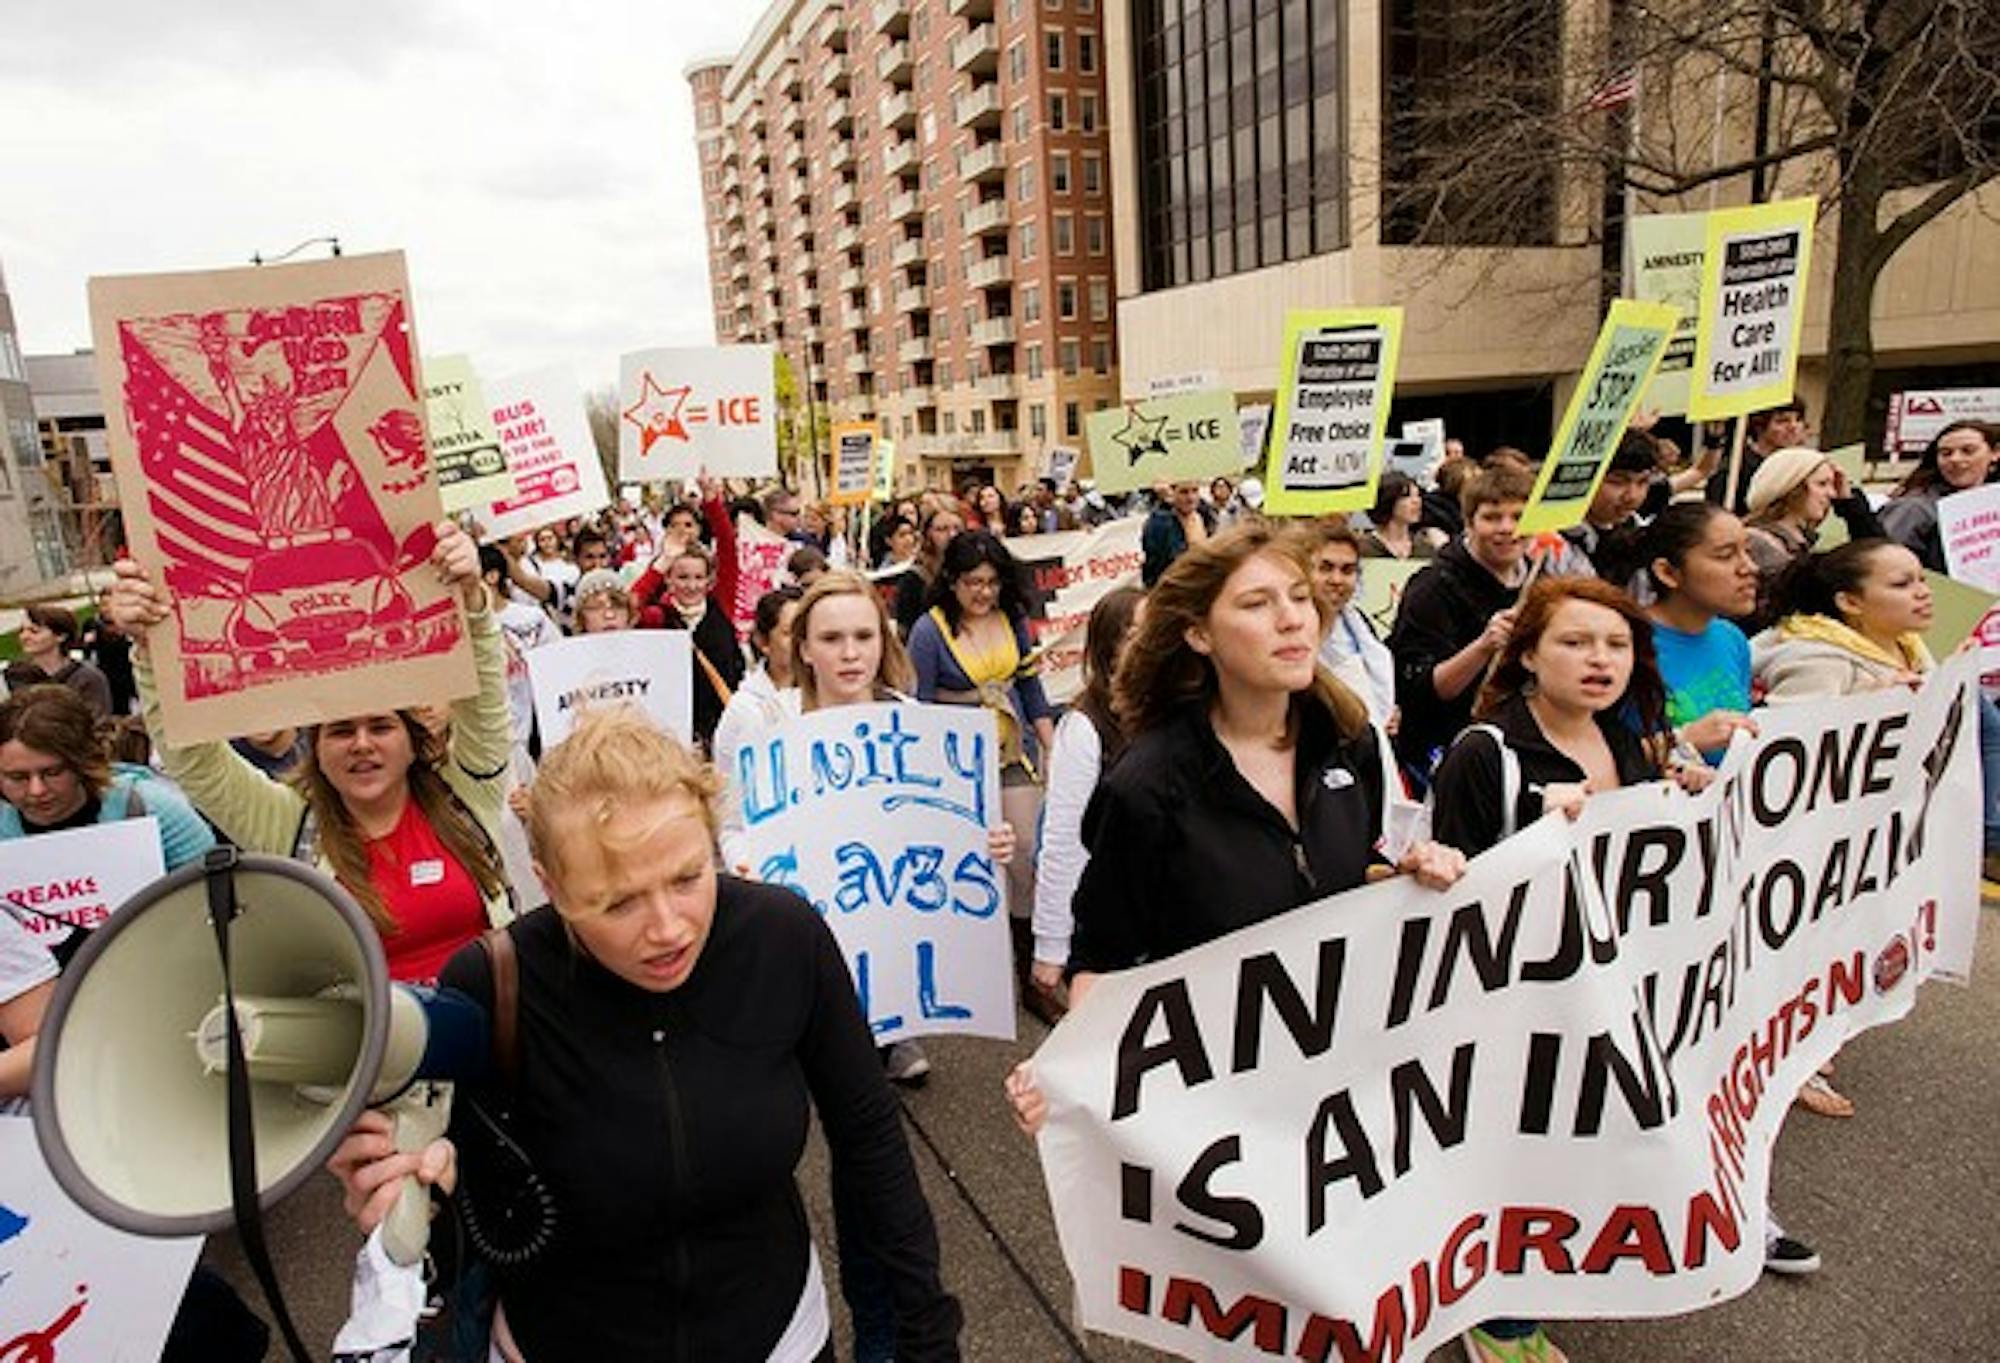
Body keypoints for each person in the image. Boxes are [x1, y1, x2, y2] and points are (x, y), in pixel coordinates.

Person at [328, 708, 964, 1362]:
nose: (668, 928)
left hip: (780, 1338)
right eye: (617, 901)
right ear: (548, 882)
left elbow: (870, 1135)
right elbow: (479, 1222)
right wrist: (415, 1206)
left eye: (689, 876)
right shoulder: (496, 979)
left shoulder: (785, 936)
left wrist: (928, 1329)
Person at [1005, 525, 1463, 1132]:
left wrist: (1407, 876)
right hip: (1223, 1103)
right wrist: (1065, 1075)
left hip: (1342, 1083)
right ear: (1199, 633)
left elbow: (1346, 875)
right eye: (1257, 603)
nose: (1292, 619)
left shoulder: (1349, 742)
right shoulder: (1146, 787)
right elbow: (1104, 963)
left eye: (1300, 598)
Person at [1425, 578, 1716, 1362]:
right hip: (1514, 1006)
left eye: (1617, 644)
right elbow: (1447, 899)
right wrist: (1535, 832)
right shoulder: (1484, 752)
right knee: (1515, 1155)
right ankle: (1499, 1317)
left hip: (1607, 988)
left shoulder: (1630, 744)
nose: (1600, 660)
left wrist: (1684, 802)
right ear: (1527, 655)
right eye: (1576, 642)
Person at [109, 522, 514, 983]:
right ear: (316, 750)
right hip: (374, 1045)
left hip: (495, 1038)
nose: (362, 744)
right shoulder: (290, 824)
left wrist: (472, 599)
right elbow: (197, 764)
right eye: (340, 732)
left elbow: (485, 700)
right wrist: (150, 648)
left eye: (380, 727)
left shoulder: (467, 794)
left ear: (412, 741)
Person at [908, 533, 1053, 996]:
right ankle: (966, 972)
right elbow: (919, 704)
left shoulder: (1013, 617)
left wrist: (1051, 746)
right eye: (973, 582)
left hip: (1010, 751)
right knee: (968, 863)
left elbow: (1030, 688)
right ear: (952, 581)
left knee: (1026, 854)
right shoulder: (929, 632)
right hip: (954, 763)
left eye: (991, 582)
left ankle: (1030, 969)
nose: (983, 593)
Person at [0, 684, 217, 961]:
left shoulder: (154, 809)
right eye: (17, 778)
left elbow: (215, 897)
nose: (37, 790)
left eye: (53, 772)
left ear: (81, 762)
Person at [1028, 586, 1144, 1027]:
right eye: (1135, 634)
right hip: (1107, 924)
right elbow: (1062, 842)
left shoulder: (1175, 712)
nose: (1149, 645)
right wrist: (1052, 946)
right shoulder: (1084, 728)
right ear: (1109, 648)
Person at [1388, 466, 1534, 781]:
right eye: (1492, 517)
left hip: (1517, 751)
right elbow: (1419, 690)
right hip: (1446, 756)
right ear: (1469, 523)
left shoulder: (1539, 581)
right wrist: (1483, 647)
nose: (1507, 529)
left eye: (1518, 517)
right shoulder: (1432, 588)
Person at [1639, 502, 1763, 763]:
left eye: (1748, 552)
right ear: (1668, 573)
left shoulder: (1732, 638)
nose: (1749, 568)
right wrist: (1684, 740)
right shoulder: (1628, 643)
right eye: (1725, 555)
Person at [1742, 447, 1885, 629]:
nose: (1832, 494)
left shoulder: (1800, 544)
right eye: (1822, 484)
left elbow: (1881, 557)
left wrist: (1851, 506)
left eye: (1833, 485)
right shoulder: (1758, 543)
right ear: (1793, 488)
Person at [1307, 520, 1396, 729]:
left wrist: (1383, 711)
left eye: (1347, 570)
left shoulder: (1361, 625)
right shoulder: (1289, 631)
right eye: (1325, 568)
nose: (1337, 579)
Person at [1880, 420, 2000, 571]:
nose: (1955, 459)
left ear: (1995, 453)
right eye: (1946, 453)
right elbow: (1885, 565)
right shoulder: (1913, 509)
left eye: (1968, 451)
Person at [5, 606, 113, 718]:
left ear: (61, 636)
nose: (25, 637)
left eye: (34, 631)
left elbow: (98, 722)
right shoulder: (13, 676)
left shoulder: (87, 678)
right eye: (22, 631)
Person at [1708, 399, 1811, 513]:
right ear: (1759, 426)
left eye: (1798, 420)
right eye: (1782, 421)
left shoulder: (1798, 466)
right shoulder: (1735, 469)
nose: (1793, 427)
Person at [896, 505, 964, 635]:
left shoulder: (972, 571)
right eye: (942, 529)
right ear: (928, 534)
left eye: (957, 528)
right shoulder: (914, 579)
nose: (952, 535)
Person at [1141, 479, 1219, 585]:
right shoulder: (1159, 524)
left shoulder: (1204, 515)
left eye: (1195, 491)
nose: (1191, 498)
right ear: (1172, 495)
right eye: (1184, 492)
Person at [1360, 471, 1446, 560]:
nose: (1416, 501)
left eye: (1418, 495)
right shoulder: (1364, 548)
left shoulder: (1427, 545)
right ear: (1388, 500)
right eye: (1407, 496)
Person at [82, 588, 138, 716]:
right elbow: (85, 649)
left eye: (110, 604)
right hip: (106, 678)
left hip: (128, 677)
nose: (106, 609)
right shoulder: (92, 625)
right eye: (103, 604)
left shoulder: (130, 625)